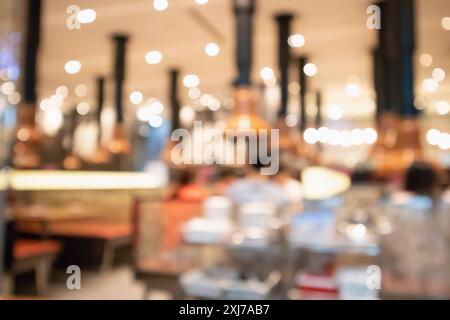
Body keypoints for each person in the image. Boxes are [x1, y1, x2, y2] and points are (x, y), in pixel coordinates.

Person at [381, 161, 450, 298]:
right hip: (434, 280)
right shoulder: (443, 207)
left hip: (404, 278)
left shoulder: (394, 205)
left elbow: (386, 240)